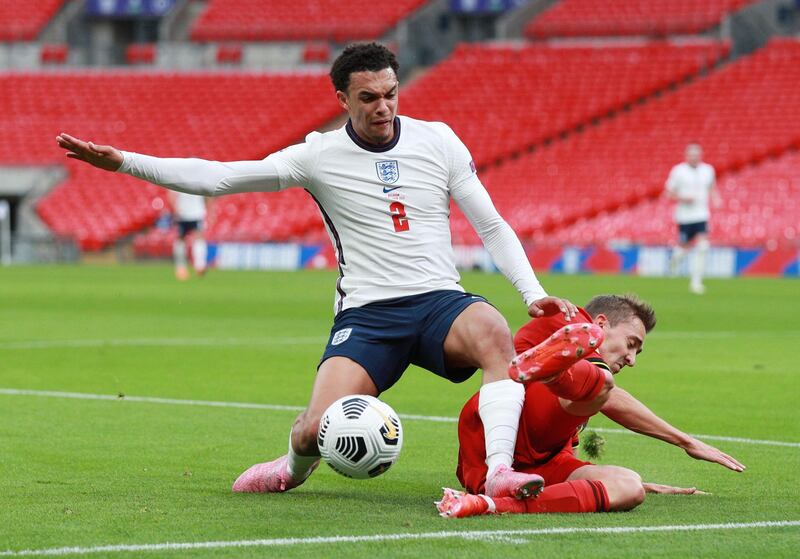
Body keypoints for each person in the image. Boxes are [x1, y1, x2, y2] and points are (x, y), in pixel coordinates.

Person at [55, 42, 579, 498]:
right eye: (369, 97)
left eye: (391, 93)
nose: (384, 106)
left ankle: (499, 473)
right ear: (343, 100)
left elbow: (490, 226)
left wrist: (531, 292)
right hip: (369, 314)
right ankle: (289, 467)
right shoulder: (318, 155)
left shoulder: (438, 140)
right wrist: (122, 161)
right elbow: (218, 178)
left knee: (494, 333)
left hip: (439, 301)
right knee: (314, 432)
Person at [438, 294, 745, 517]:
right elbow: (611, 398)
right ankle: (553, 374)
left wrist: (643, 485)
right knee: (601, 386)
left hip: (537, 464)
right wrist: (686, 442)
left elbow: (563, 449)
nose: (632, 359)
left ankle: (490, 505)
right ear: (600, 323)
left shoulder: (588, 377)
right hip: (493, 442)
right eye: (631, 344)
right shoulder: (566, 318)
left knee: (629, 486)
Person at [665, 143, 722, 294]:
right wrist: (683, 198)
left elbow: (712, 187)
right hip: (684, 216)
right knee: (682, 249)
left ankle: (696, 282)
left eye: (697, 155)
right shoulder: (678, 171)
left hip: (701, 214)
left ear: (701, 156)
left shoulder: (708, 170)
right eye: (691, 155)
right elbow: (668, 193)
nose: (694, 158)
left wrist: (716, 199)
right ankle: (674, 264)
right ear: (686, 156)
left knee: (703, 246)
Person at [169, 191, 209, 280]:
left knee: (198, 237)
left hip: (197, 212)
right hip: (183, 213)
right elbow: (171, 194)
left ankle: (200, 265)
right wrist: (175, 208)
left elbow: (207, 194)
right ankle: (181, 267)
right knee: (181, 239)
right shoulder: (177, 178)